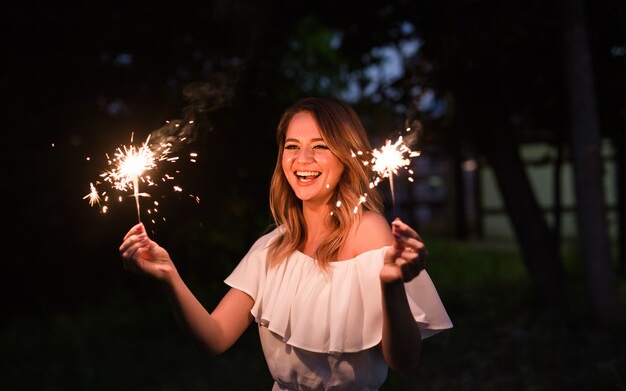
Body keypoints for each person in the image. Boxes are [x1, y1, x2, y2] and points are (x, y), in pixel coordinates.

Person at [119, 97, 452, 391]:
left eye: (320, 146)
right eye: (292, 146)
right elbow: (214, 337)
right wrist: (169, 276)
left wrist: (392, 285)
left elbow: (404, 361)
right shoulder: (272, 246)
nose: (302, 159)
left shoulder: (370, 231)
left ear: (346, 157)